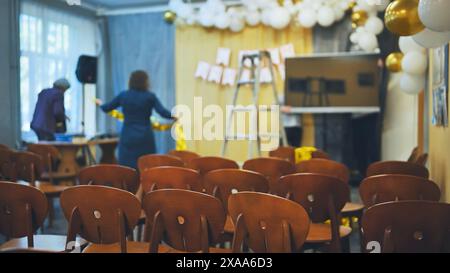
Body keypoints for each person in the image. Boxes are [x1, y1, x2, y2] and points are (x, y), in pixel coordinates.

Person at [96, 70, 176, 169]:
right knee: (146, 167)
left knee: (127, 169)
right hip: (145, 137)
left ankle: (129, 184)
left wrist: (100, 104)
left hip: (128, 136)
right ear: (145, 82)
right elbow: (163, 112)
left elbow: (107, 107)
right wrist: (174, 116)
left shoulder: (124, 95)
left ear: (131, 81)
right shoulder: (150, 96)